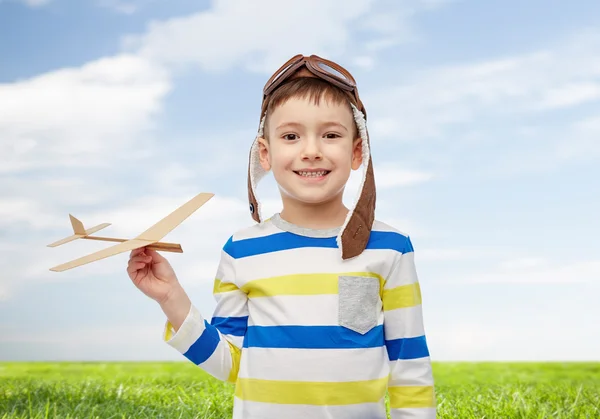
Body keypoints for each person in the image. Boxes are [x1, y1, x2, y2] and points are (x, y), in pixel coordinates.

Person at [127, 54, 437, 419]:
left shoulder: (390, 248)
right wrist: (171, 299)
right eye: (291, 136)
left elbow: (409, 366)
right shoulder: (242, 250)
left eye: (331, 135)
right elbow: (232, 366)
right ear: (265, 153)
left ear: (357, 151)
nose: (310, 151)